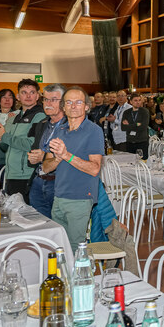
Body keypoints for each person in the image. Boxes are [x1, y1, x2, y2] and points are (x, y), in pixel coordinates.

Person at [44, 87, 104, 248]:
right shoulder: (59, 130)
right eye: (69, 102)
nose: (73, 106)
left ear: (86, 106)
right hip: (58, 196)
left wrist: (66, 155)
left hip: (80, 198)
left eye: (78, 102)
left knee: (75, 248)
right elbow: (46, 167)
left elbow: (94, 169)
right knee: (59, 246)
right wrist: (58, 158)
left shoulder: (93, 131)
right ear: (63, 107)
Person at [0, 79, 46, 204]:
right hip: (11, 174)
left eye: (32, 92)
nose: (28, 96)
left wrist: (3, 136)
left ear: (37, 96)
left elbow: (31, 144)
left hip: (27, 175)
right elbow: (5, 147)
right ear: (18, 96)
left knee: (25, 213)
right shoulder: (14, 118)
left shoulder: (40, 116)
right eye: (24, 92)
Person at [26, 84, 66, 218]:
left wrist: (44, 156)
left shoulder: (70, 126)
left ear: (63, 102)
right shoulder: (42, 123)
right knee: (39, 225)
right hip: (38, 180)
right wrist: (33, 157)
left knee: (60, 225)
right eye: (46, 99)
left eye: (53, 100)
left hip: (59, 183)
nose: (48, 104)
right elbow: (36, 149)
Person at [122, 92, 150, 159]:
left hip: (142, 141)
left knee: (142, 161)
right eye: (135, 100)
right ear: (131, 102)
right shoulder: (126, 112)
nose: (138, 102)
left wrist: (129, 125)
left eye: (139, 100)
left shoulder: (145, 111)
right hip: (130, 142)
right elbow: (123, 127)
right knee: (130, 162)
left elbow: (143, 127)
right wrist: (137, 124)